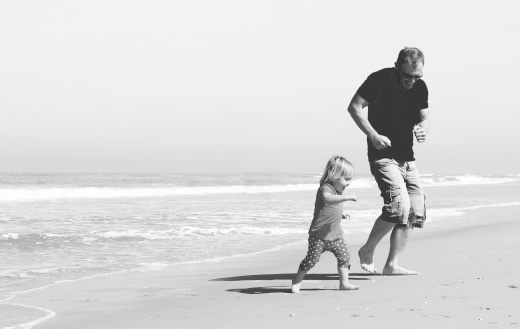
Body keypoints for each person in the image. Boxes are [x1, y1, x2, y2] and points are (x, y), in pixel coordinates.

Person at [347, 47, 429, 276]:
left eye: (417, 76)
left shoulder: (420, 87)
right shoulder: (379, 79)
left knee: (414, 212)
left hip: (408, 159)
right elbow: (354, 107)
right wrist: (373, 135)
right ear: (397, 66)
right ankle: (367, 249)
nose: (412, 81)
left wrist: (423, 130)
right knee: (397, 208)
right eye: (407, 76)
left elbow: (425, 118)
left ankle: (392, 265)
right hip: (383, 157)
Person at [291, 155, 359, 293]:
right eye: (346, 179)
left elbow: (331, 209)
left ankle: (344, 283)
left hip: (336, 236)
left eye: (349, 179)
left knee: (345, 257)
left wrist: (342, 215)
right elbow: (328, 200)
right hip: (319, 236)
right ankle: (296, 281)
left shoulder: (338, 191)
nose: (348, 183)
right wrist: (348, 197)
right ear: (334, 175)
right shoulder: (326, 189)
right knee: (311, 260)